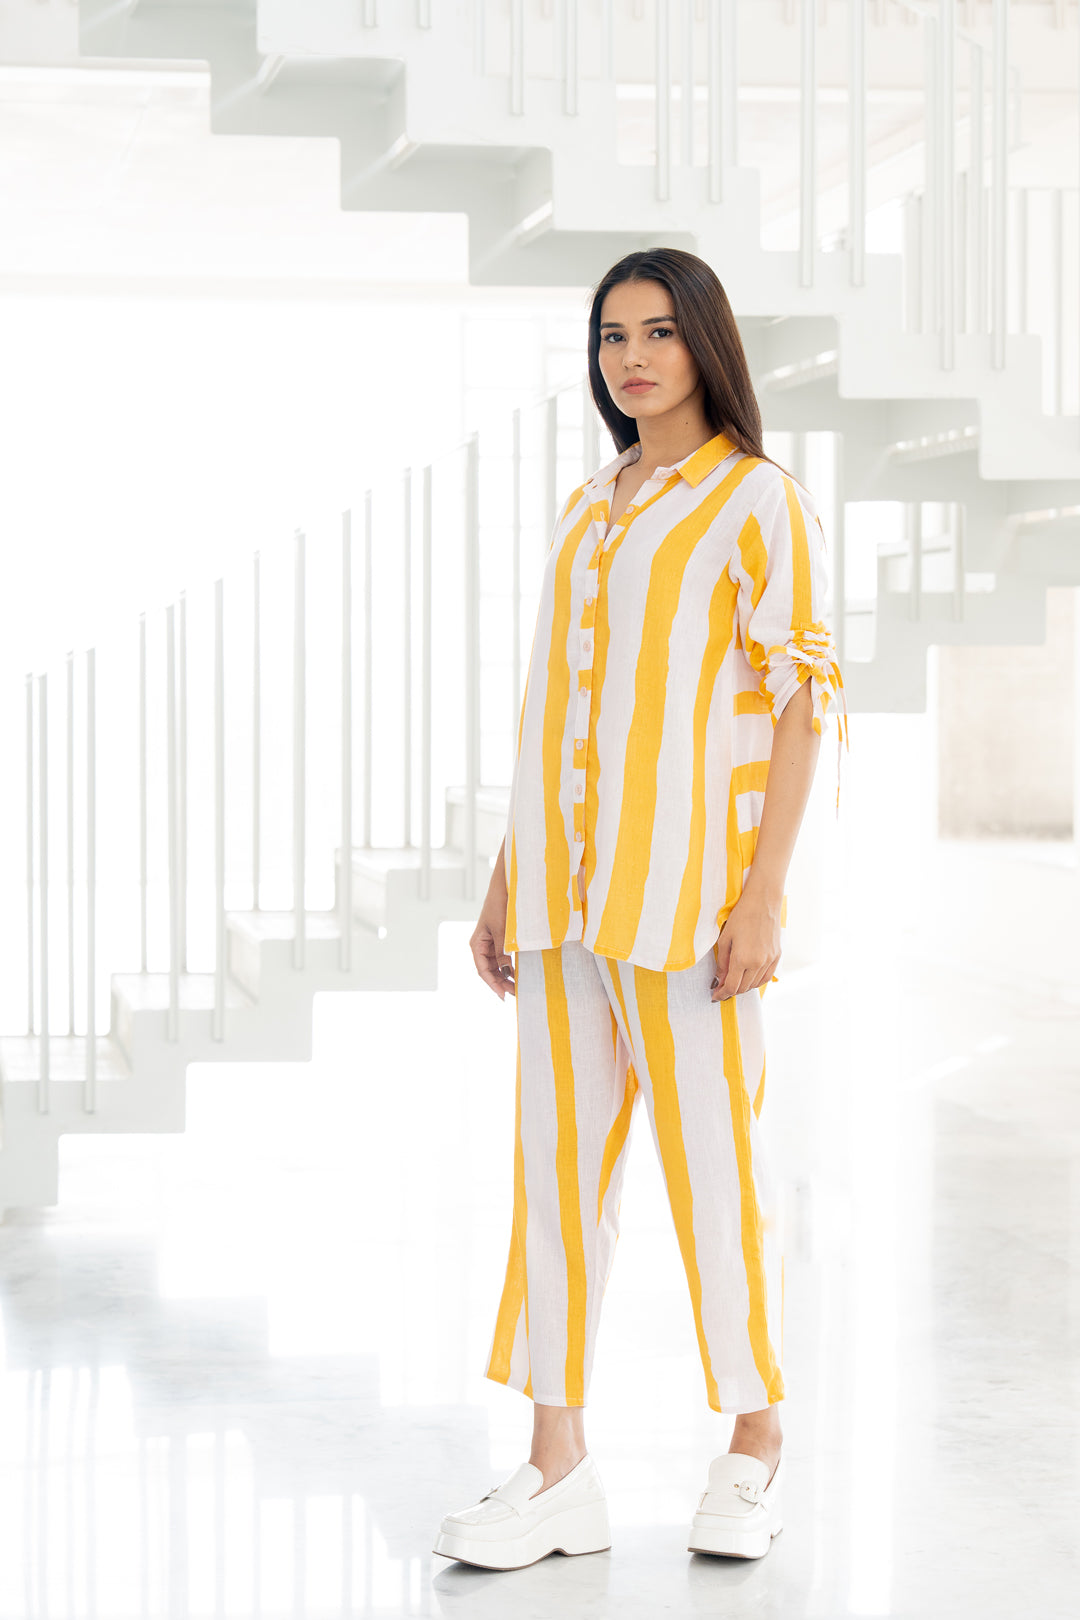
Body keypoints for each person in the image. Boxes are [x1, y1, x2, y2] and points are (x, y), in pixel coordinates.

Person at [433, 247, 847, 1572]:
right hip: (561, 908)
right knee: (555, 1181)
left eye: (660, 331)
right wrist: (507, 877)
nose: (634, 356)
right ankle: (557, 1465)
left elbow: (803, 700)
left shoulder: (758, 502)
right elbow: (555, 709)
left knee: (718, 1176)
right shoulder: (588, 508)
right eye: (614, 334)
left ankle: (756, 1445)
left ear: (705, 343)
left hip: (691, 909)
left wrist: (765, 895)